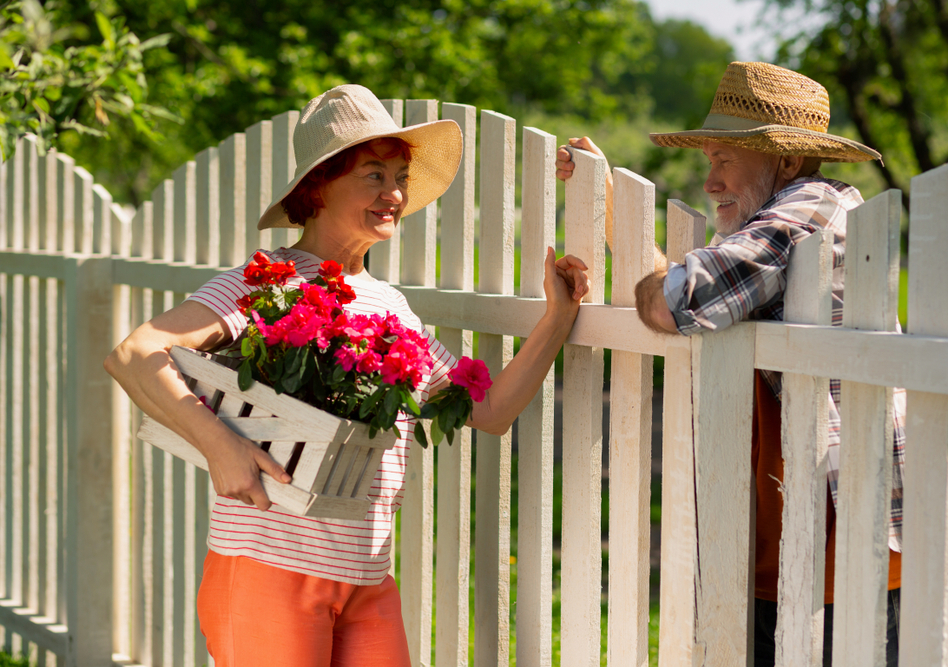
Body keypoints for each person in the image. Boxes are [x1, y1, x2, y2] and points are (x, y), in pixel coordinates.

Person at [106, 84, 590, 667]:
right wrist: (219, 446)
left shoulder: (390, 305)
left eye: (401, 178)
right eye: (373, 175)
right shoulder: (268, 281)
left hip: (364, 573)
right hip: (269, 568)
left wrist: (558, 318)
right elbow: (136, 353)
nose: (395, 194)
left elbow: (487, 412)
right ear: (318, 186)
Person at [556, 62, 904, 666]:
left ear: (788, 162)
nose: (711, 181)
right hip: (795, 521)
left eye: (725, 161)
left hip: (832, 533)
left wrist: (668, 281)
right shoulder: (778, 219)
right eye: (710, 160)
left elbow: (679, 299)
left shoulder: (810, 215)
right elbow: (695, 291)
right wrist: (610, 204)